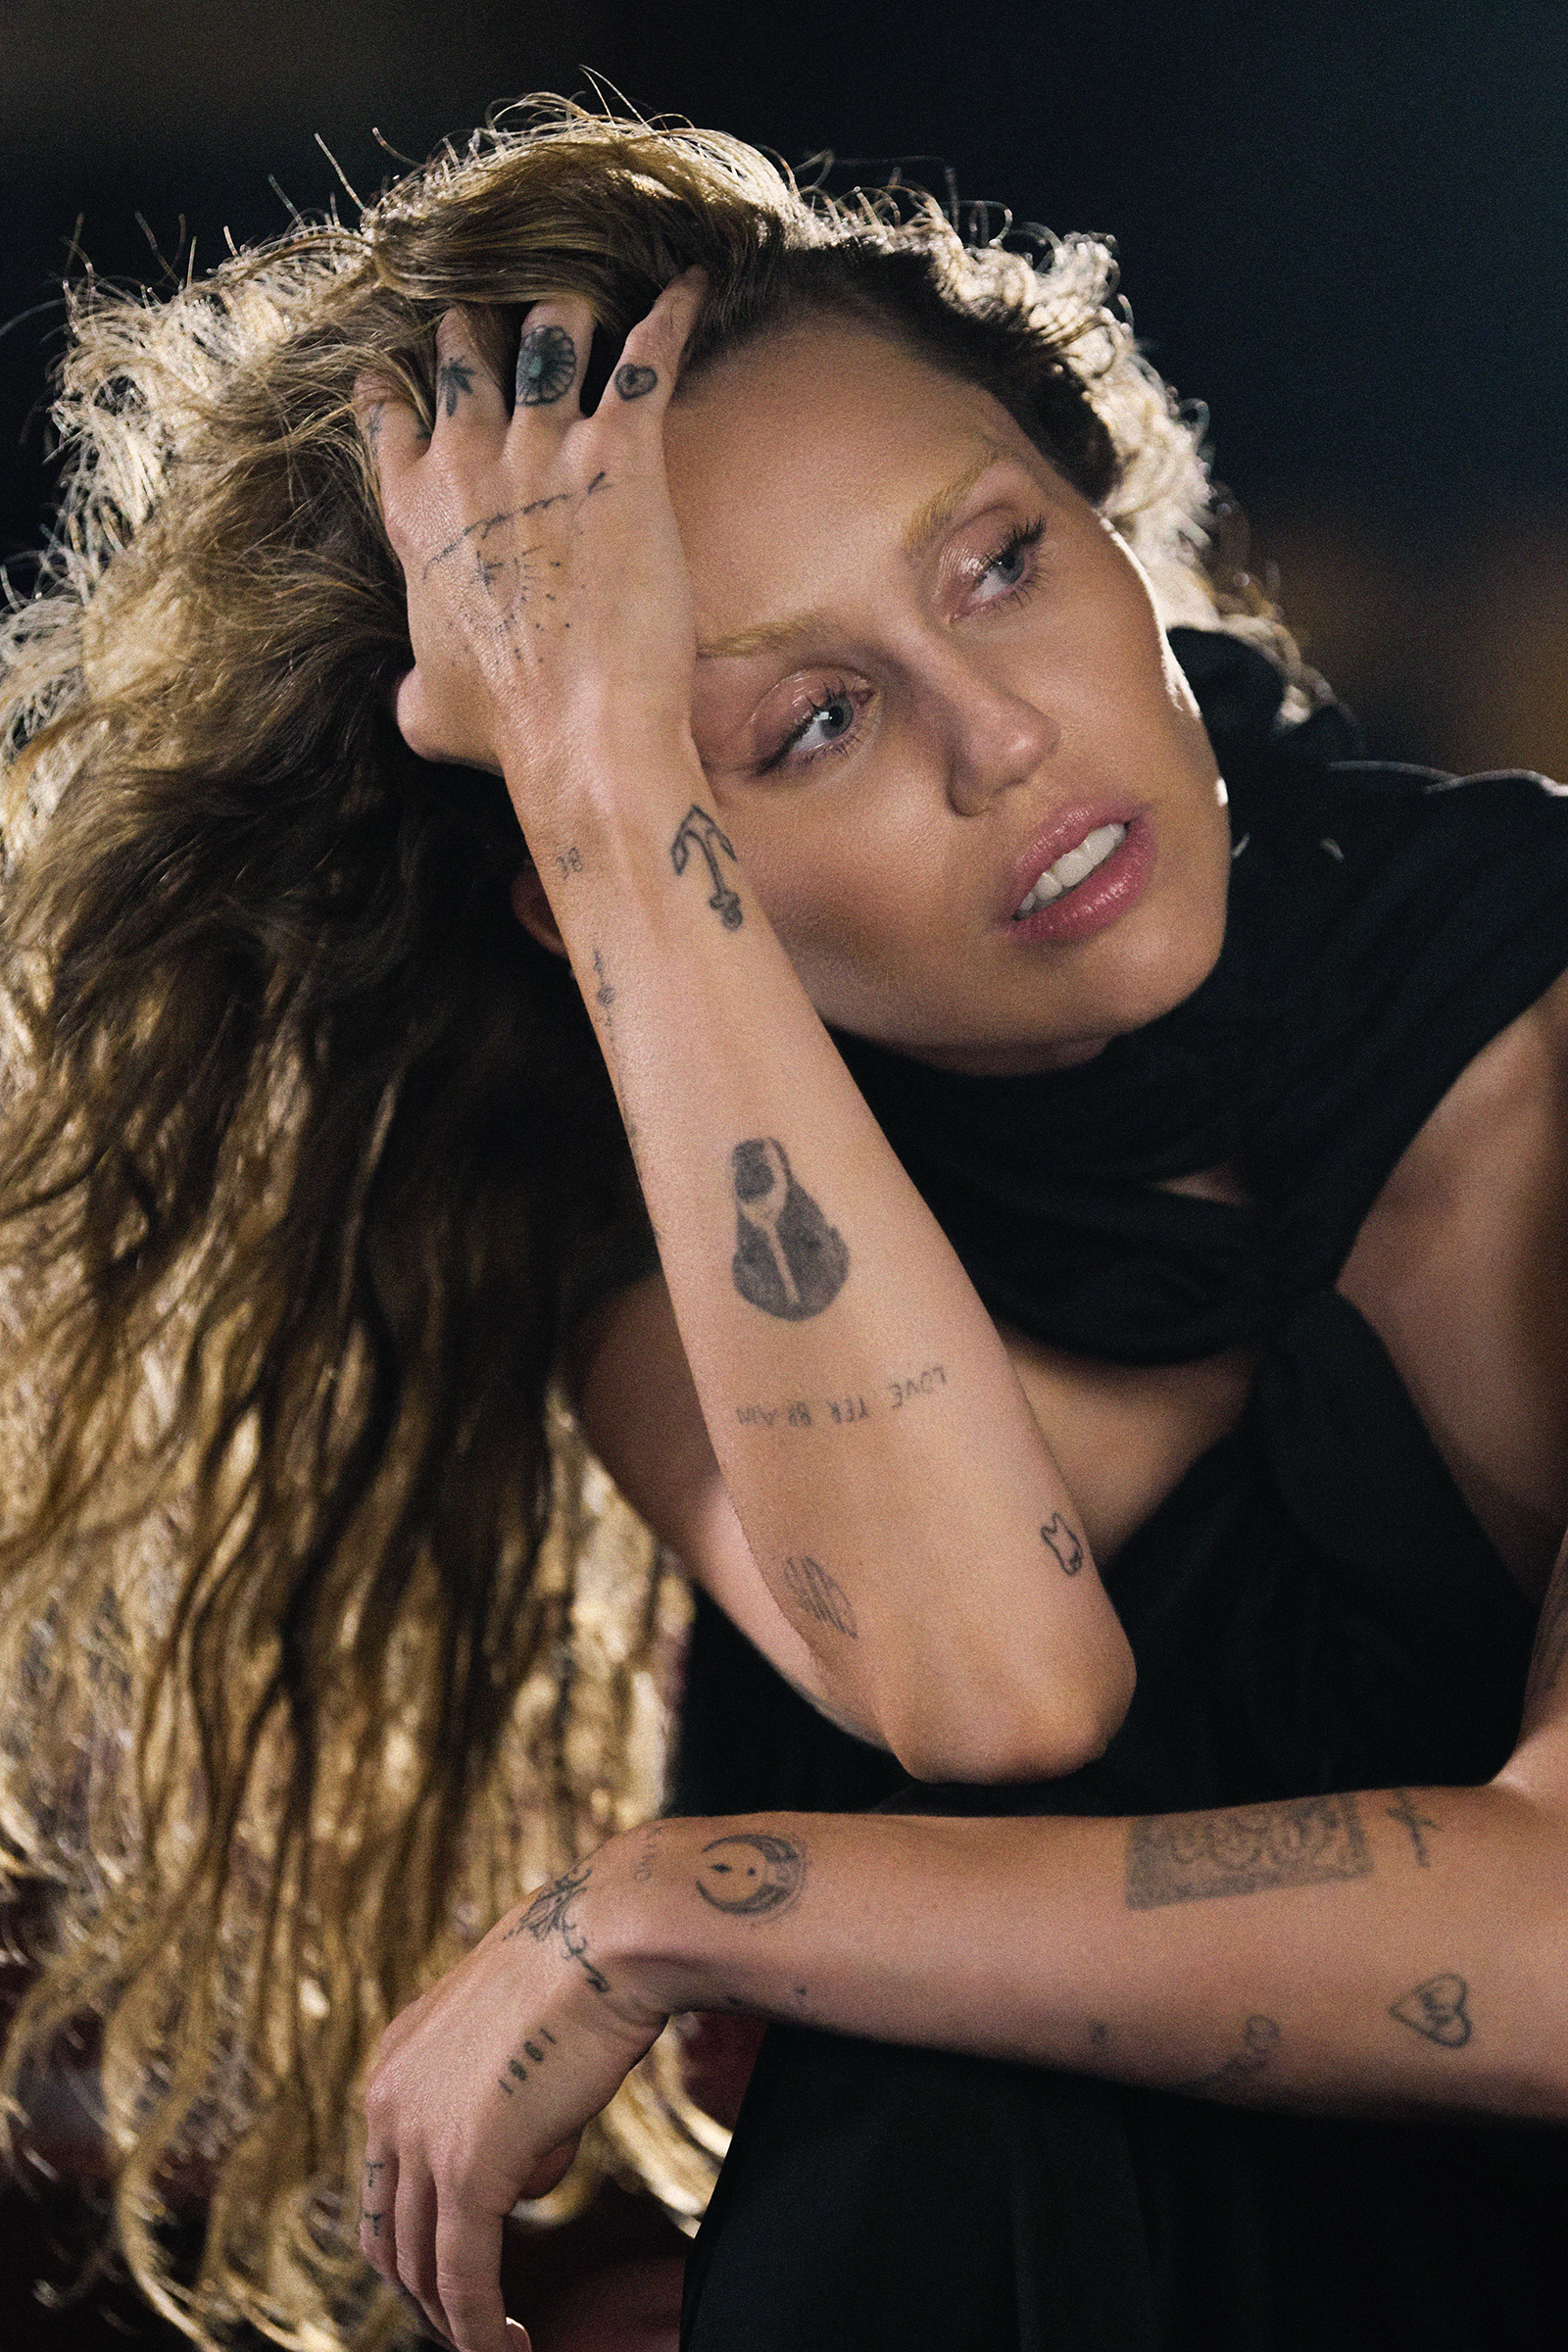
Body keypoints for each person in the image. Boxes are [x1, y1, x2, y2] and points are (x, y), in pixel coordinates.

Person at [1, 101, 1563, 2352]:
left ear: (1107, 517)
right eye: (808, 721)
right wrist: (614, 792)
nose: (998, 740)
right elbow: (995, 1685)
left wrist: (687, 1901)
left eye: (997, 560)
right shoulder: (661, 1231)